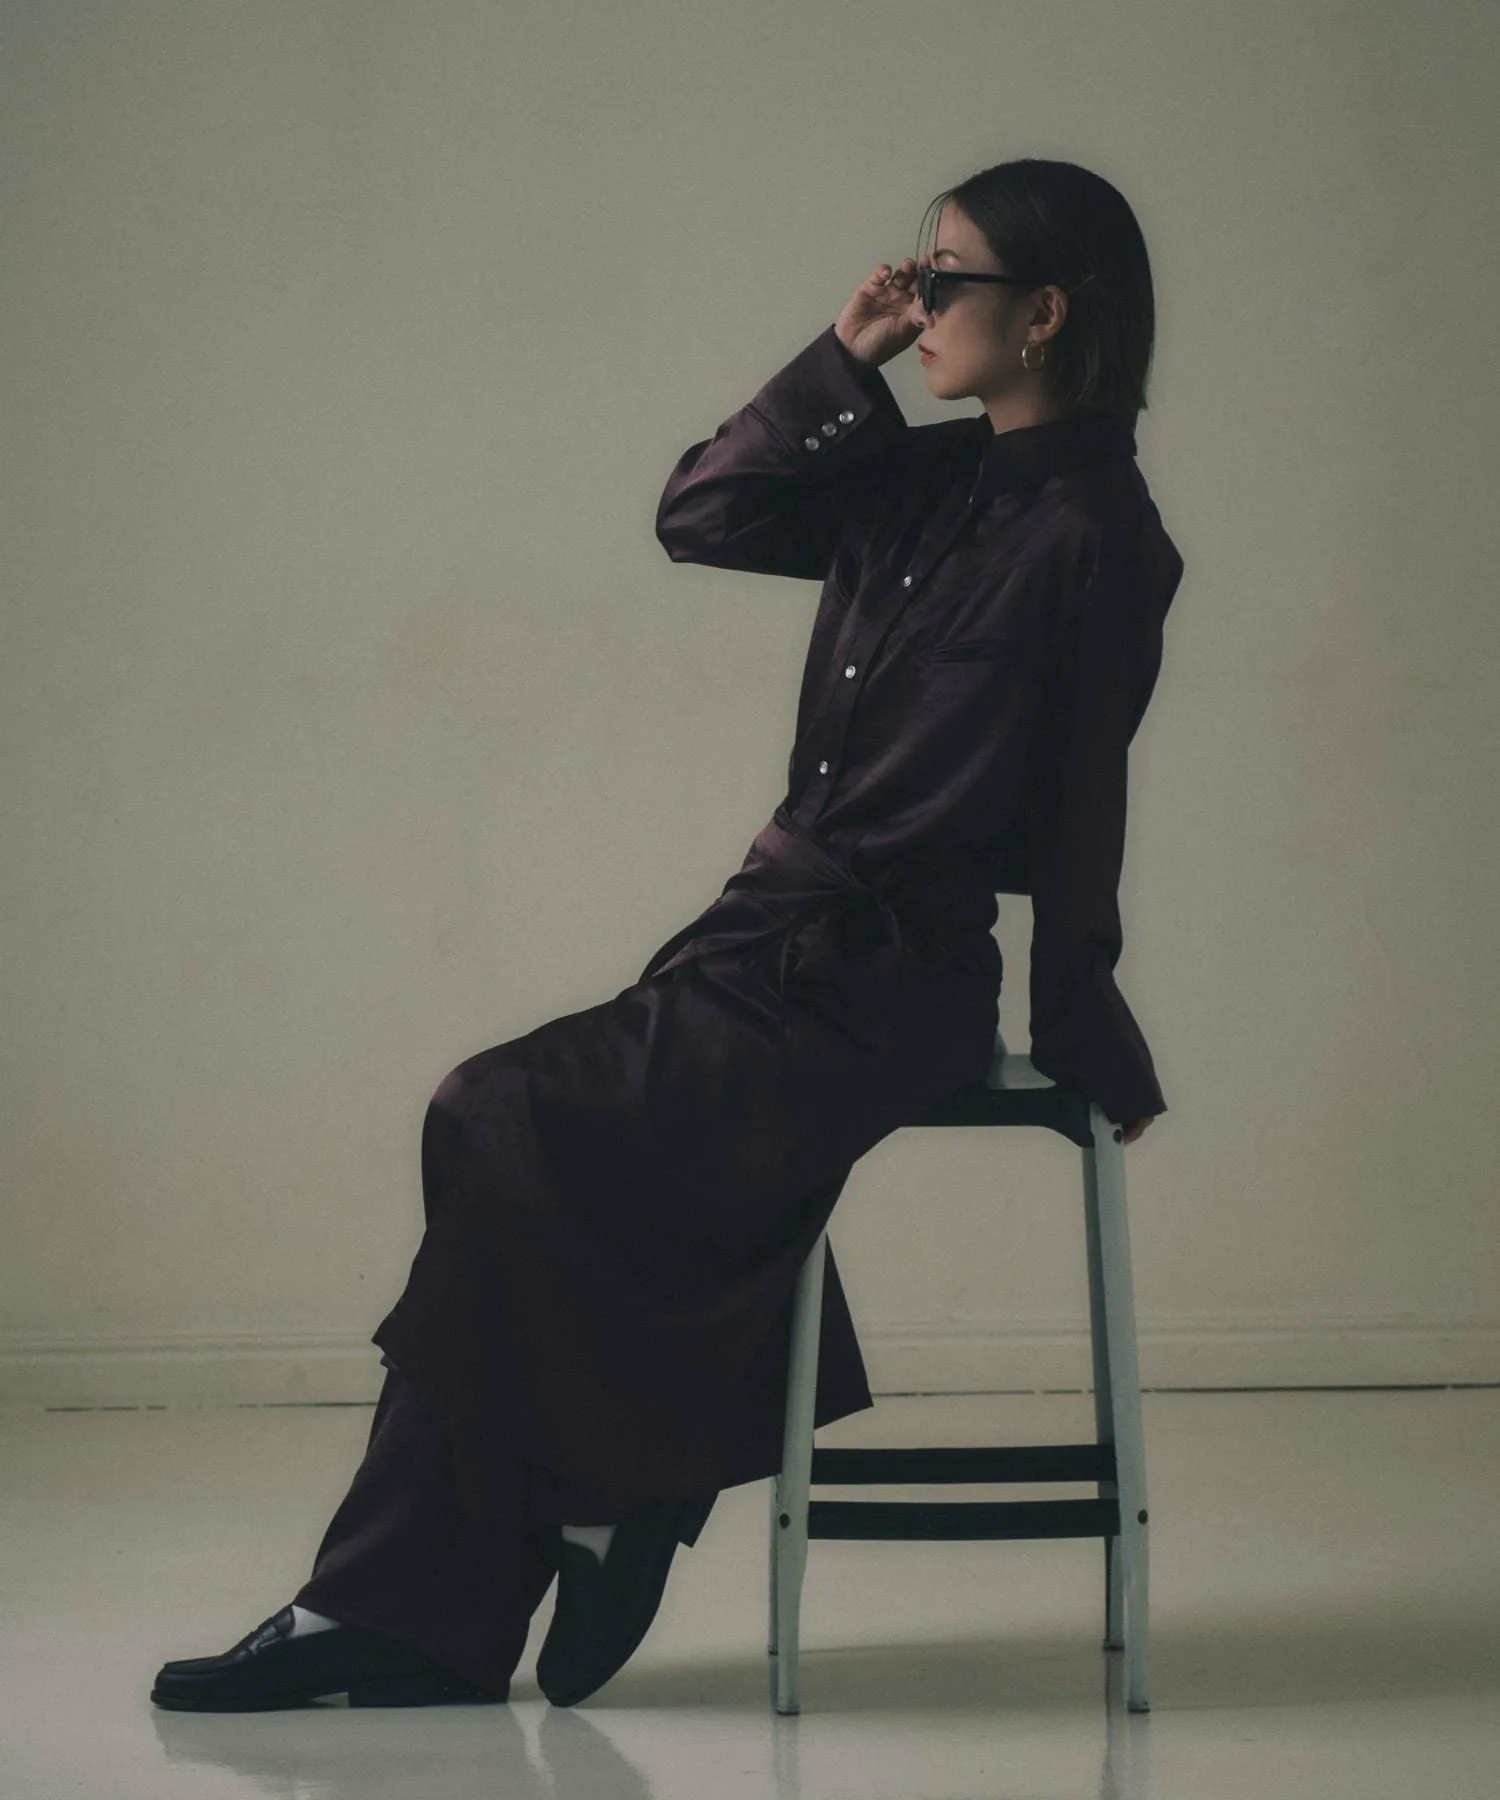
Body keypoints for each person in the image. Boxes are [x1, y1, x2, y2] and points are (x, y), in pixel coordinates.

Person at [150, 155, 1181, 1714]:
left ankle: (437, 1586)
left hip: (887, 980)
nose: (919, 302)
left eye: (945, 280)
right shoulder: (916, 482)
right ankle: (488, 1564)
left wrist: (1082, 1021)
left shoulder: (1101, 536)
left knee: (500, 1111)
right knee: (504, 1134)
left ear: (1042, 314)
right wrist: (845, 356)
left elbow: (1086, 803)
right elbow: (704, 511)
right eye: (911, 276)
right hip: (764, 937)